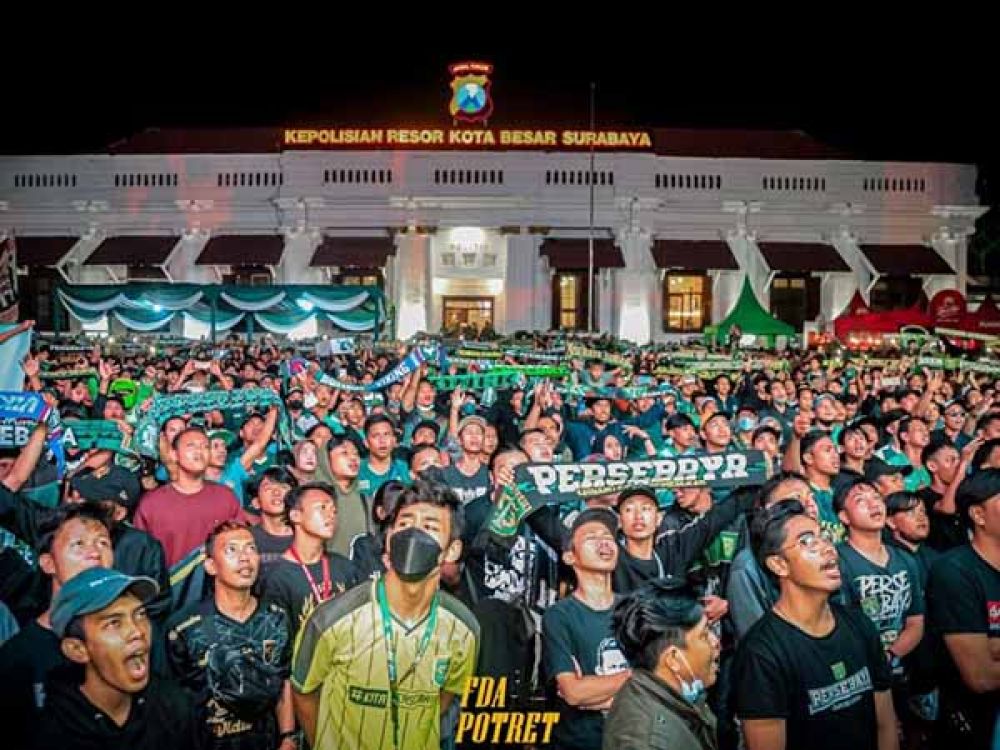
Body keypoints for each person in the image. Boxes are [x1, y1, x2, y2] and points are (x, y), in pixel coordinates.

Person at [290, 478, 479, 750]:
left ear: (452, 549)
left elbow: (446, 696)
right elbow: (304, 693)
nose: (414, 535)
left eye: (430, 527)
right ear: (388, 539)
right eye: (403, 524)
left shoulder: (464, 628)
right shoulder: (332, 619)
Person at [734, 500, 898, 750]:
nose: (828, 549)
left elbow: (885, 724)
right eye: (807, 541)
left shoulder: (858, 623)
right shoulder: (761, 653)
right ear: (779, 564)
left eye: (824, 537)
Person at [33, 566, 199, 749]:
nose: (137, 631)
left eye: (140, 615)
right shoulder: (48, 733)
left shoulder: (172, 706)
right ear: (77, 649)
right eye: (114, 623)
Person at [166, 521, 295, 750]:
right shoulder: (184, 628)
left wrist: (288, 737)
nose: (244, 557)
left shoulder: (277, 617)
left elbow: (283, 679)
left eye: (251, 548)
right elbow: (172, 703)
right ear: (211, 566)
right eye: (231, 550)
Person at [0, 503, 115, 750]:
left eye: (103, 543)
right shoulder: (17, 658)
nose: (95, 552)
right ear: (48, 563)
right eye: (79, 544)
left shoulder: (138, 638)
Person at [542, 508, 631, 750]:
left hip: (633, 737)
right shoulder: (558, 616)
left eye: (608, 536)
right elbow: (573, 692)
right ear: (570, 557)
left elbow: (661, 681)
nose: (604, 541)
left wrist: (597, 691)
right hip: (580, 741)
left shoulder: (634, 609)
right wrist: (635, 679)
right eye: (592, 537)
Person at [925, 469, 1000, 749]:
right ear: (978, 516)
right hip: (975, 724)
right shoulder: (954, 572)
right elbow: (979, 675)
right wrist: (987, 648)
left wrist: (993, 644)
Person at [604, 578, 721, 750]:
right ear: (673, 659)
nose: (715, 642)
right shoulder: (648, 741)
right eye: (704, 635)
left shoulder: (651, 689)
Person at [134, 427, 244, 568]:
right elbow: (140, 557)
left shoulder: (226, 498)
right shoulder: (151, 504)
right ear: (174, 454)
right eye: (191, 446)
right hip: (170, 586)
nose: (199, 451)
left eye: (205, 447)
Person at [259, 483, 362, 633]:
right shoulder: (277, 577)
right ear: (295, 515)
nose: (331, 515)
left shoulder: (345, 567)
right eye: (322, 508)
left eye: (334, 511)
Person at [247, 466, 298, 565]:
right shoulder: (247, 538)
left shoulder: (306, 537)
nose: (276, 492)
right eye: (268, 488)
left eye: (284, 487)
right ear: (256, 502)